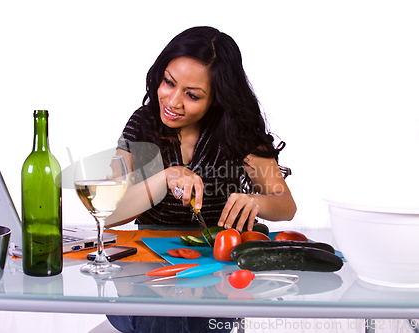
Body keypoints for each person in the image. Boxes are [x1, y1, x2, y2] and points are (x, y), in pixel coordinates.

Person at [106, 26, 296, 333]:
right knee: (164, 314)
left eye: (192, 95)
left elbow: (285, 206)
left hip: (214, 271)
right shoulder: (143, 124)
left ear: (217, 99)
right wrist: (165, 178)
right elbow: (111, 214)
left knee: (186, 317)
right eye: (168, 82)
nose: (173, 101)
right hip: (147, 269)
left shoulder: (238, 133)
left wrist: (255, 200)